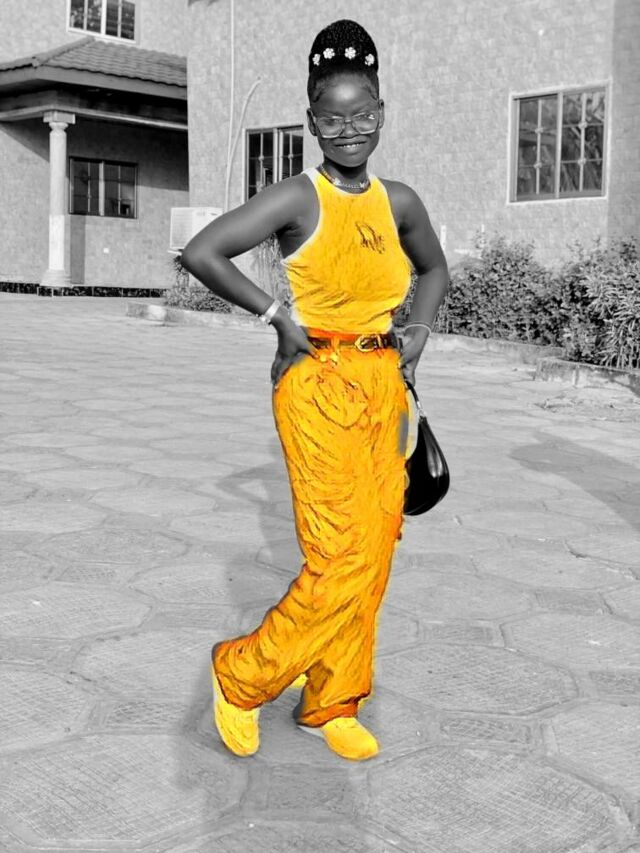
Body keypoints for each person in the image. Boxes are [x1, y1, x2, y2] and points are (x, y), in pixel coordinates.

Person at [180, 18, 449, 761]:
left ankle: (333, 699)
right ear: (311, 122)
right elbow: (203, 251)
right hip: (317, 384)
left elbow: (434, 270)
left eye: (363, 115)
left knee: (377, 548)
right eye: (333, 118)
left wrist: (419, 330)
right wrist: (275, 315)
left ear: (382, 113)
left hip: (384, 385)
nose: (349, 131)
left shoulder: (399, 202)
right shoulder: (299, 198)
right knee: (341, 557)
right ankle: (242, 674)